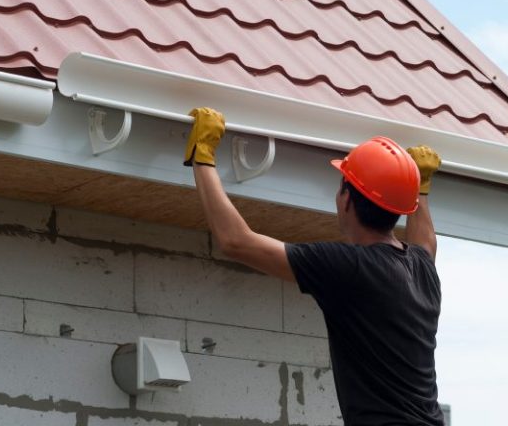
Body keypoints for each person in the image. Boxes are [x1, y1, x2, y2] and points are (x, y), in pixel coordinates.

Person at [185, 107, 445, 426]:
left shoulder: (349, 268)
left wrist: (203, 157)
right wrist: (420, 188)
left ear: (346, 199)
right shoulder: (421, 269)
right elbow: (426, 242)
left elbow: (236, 242)